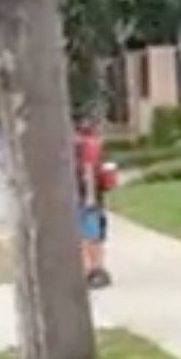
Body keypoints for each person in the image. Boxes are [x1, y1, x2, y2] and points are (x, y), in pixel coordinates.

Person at [75, 117, 113, 289]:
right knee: (93, 236)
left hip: (79, 196)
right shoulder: (97, 146)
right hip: (92, 197)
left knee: (84, 235)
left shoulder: (75, 146)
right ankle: (96, 269)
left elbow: (88, 171)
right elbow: (105, 174)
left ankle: (88, 269)